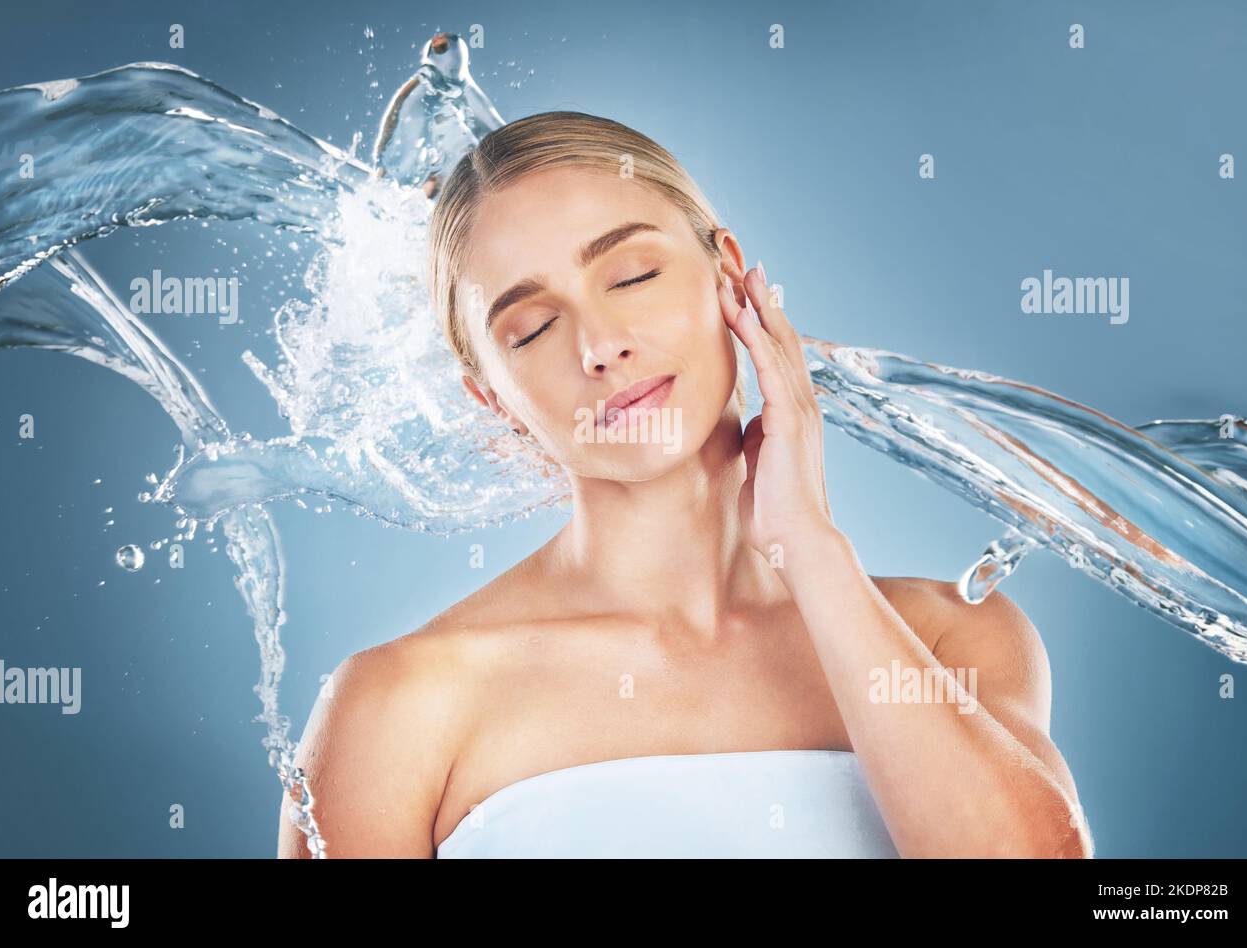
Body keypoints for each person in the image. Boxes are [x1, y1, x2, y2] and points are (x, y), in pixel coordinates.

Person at [277, 111, 1093, 859]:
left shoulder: (949, 642)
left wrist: (811, 549)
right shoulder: (397, 707)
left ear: (728, 276)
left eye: (631, 276)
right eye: (531, 328)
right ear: (493, 399)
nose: (600, 345)